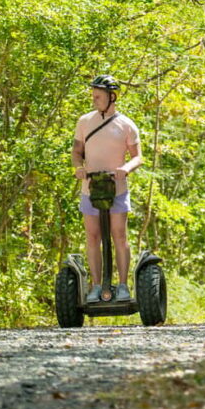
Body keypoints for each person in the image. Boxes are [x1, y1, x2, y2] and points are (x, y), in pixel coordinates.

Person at [71, 75, 142, 303]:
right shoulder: (84, 121)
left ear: (112, 97)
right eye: (93, 95)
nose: (94, 99)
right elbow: (76, 152)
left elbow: (138, 157)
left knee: (119, 235)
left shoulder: (126, 124)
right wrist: (78, 168)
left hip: (117, 188)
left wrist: (126, 168)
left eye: (98, 95)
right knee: (92, 237)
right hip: (90, 188)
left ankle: (122, 285)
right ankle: (95, 286)